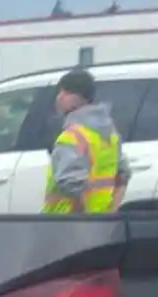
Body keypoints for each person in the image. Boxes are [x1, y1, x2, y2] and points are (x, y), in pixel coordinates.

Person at [41, 68, 129, 214]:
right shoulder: (109, 134)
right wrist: (111, 212)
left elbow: (71, 185)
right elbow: (123, 176)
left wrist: (82, 221)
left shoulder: (73, 137)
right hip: (100, 224)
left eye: (64, 92)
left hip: (66, 225)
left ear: (75, 97)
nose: (59, 97)